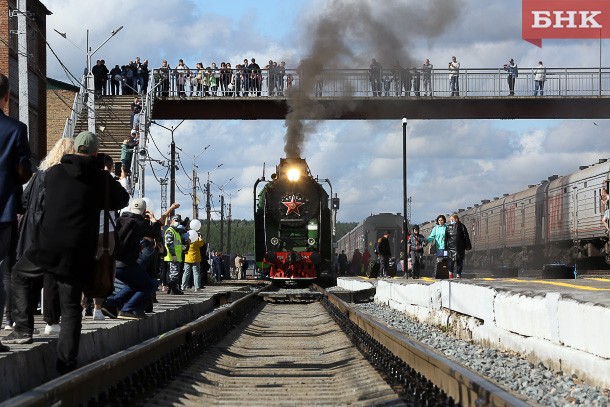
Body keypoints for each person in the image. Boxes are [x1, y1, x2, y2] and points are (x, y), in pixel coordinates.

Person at [7, 131, 129, 374]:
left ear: (75, 150)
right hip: (78, 251)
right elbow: (122, 199)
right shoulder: (100, 179)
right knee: (72, 307)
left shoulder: (54, 173)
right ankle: (66, 364)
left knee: (19, 275)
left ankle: (23, 329)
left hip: (46, 246)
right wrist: (104, 180)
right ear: (95, 152)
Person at [15, 138, 74, 335]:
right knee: (51, 276)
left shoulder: (38, 175)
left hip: (30, 231)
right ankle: (51, 321)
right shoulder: (63, 177)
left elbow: (23, 201)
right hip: (49, 230)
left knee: (25, 276)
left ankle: (21, 322)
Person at [0, 73, 32, 351]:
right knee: (4, 270)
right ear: (7, 97)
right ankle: (6, 322)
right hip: (3, 210)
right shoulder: (15, 129)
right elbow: (24, 172)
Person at [101, 198, 159, 320]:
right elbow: (156, 233)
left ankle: (111, 304)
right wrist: (153, 220)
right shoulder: (140, 223)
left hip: (112, 263)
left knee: (134, 284)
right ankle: (128, 309)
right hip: (126, 263)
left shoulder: (119, 220)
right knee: (148, 284)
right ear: (144, 212)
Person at [444, 214, 472, 279]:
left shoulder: (462, 226)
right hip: (451, 247)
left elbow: (466, 236)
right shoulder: (448, 227)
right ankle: (450, 273)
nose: (451, 220)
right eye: (450, 219)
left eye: (453, 219)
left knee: (459, 262)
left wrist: (468, 245)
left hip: (460, 247)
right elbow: (446, 238)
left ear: (457, 219)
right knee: (451, 262)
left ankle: (458, 274)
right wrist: (445, 247)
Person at [164, 215, 184, 294]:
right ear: (171, 221)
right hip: (172, 256)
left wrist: (182, 246)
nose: (177, 222)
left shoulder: (176, 231)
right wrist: (173, 255)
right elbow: (169, 244)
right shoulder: (170, 231)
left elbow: (176, 243)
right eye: (176, 221)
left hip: (177, 256)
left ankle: (171, 289)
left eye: (179, 221)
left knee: (174, 273)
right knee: (174, 274)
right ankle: (173, 289)